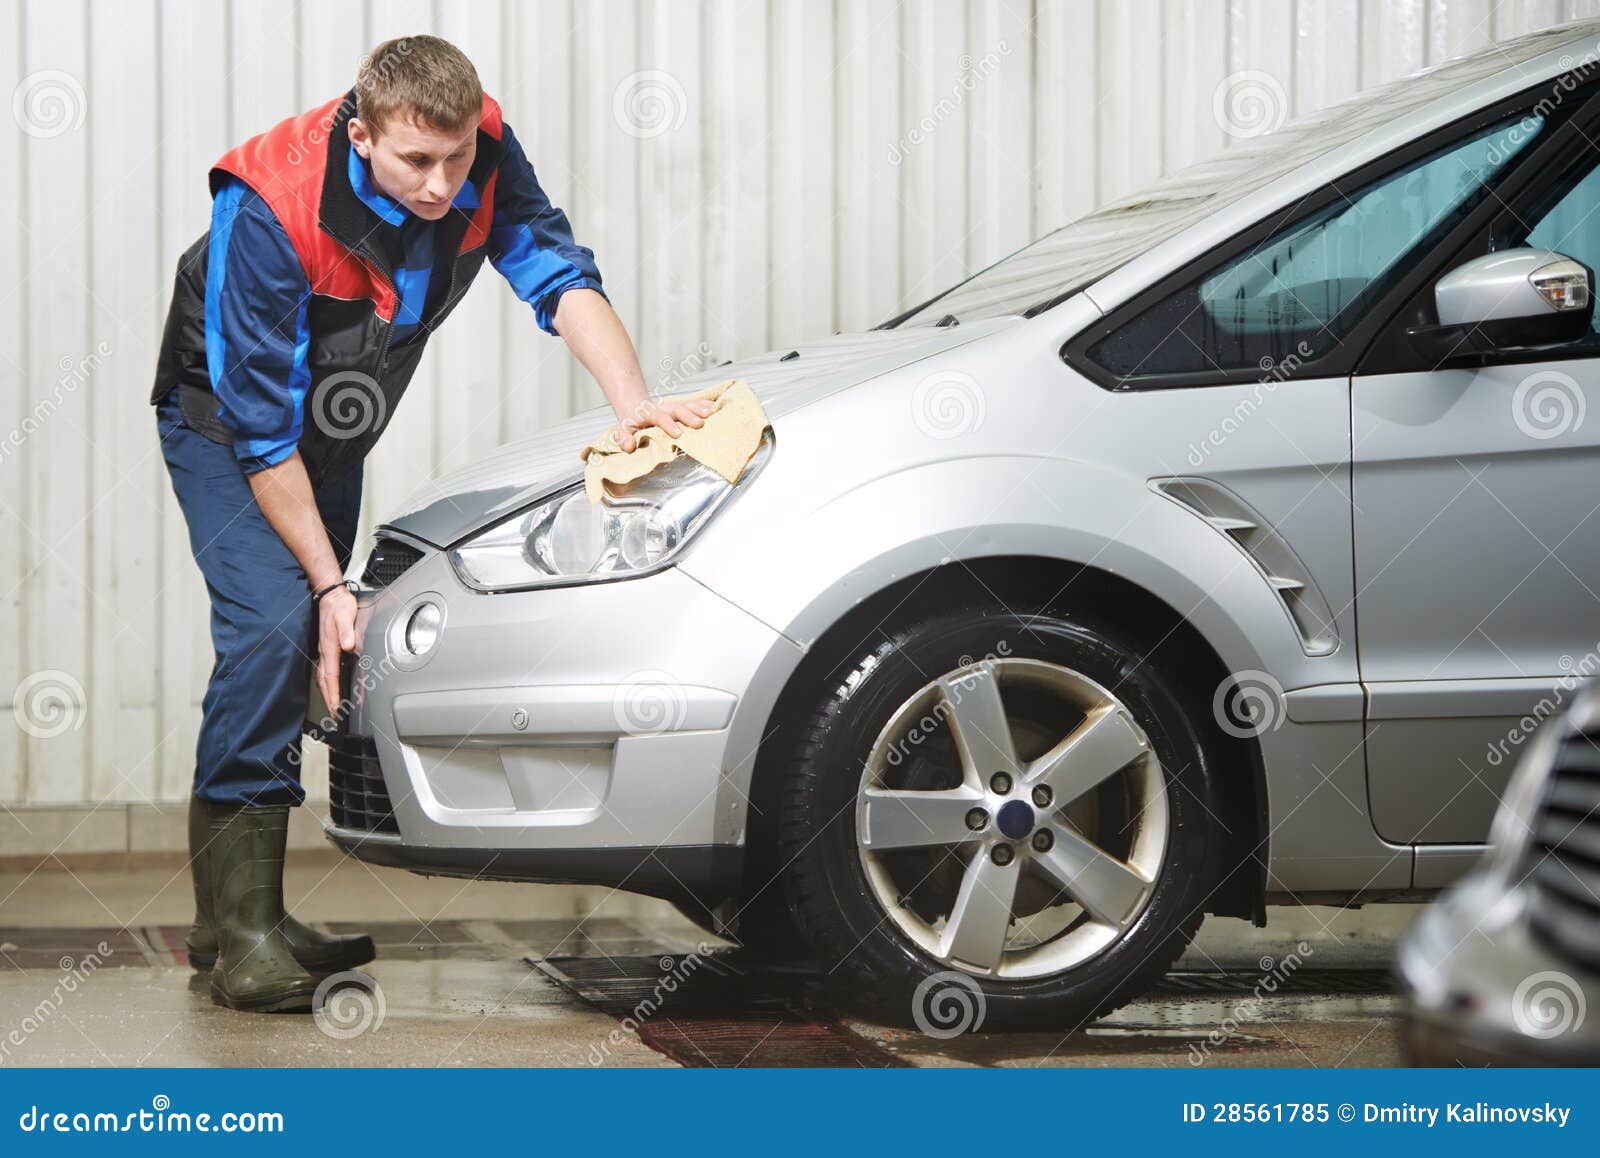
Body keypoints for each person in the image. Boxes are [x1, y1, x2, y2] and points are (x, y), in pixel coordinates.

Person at [149, 34, 712, 1013]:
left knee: (307, 653)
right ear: (361, 134)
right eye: (417, 161)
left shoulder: (480, 151)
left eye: (457, 159)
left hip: (328, 422)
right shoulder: (269, 205)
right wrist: (330, 582)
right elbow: (256, 424)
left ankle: (243, 917)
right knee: (282, 625)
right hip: (226, 422)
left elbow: (557, 274)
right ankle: (240, 935)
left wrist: (635, 406)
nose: (444, 184)